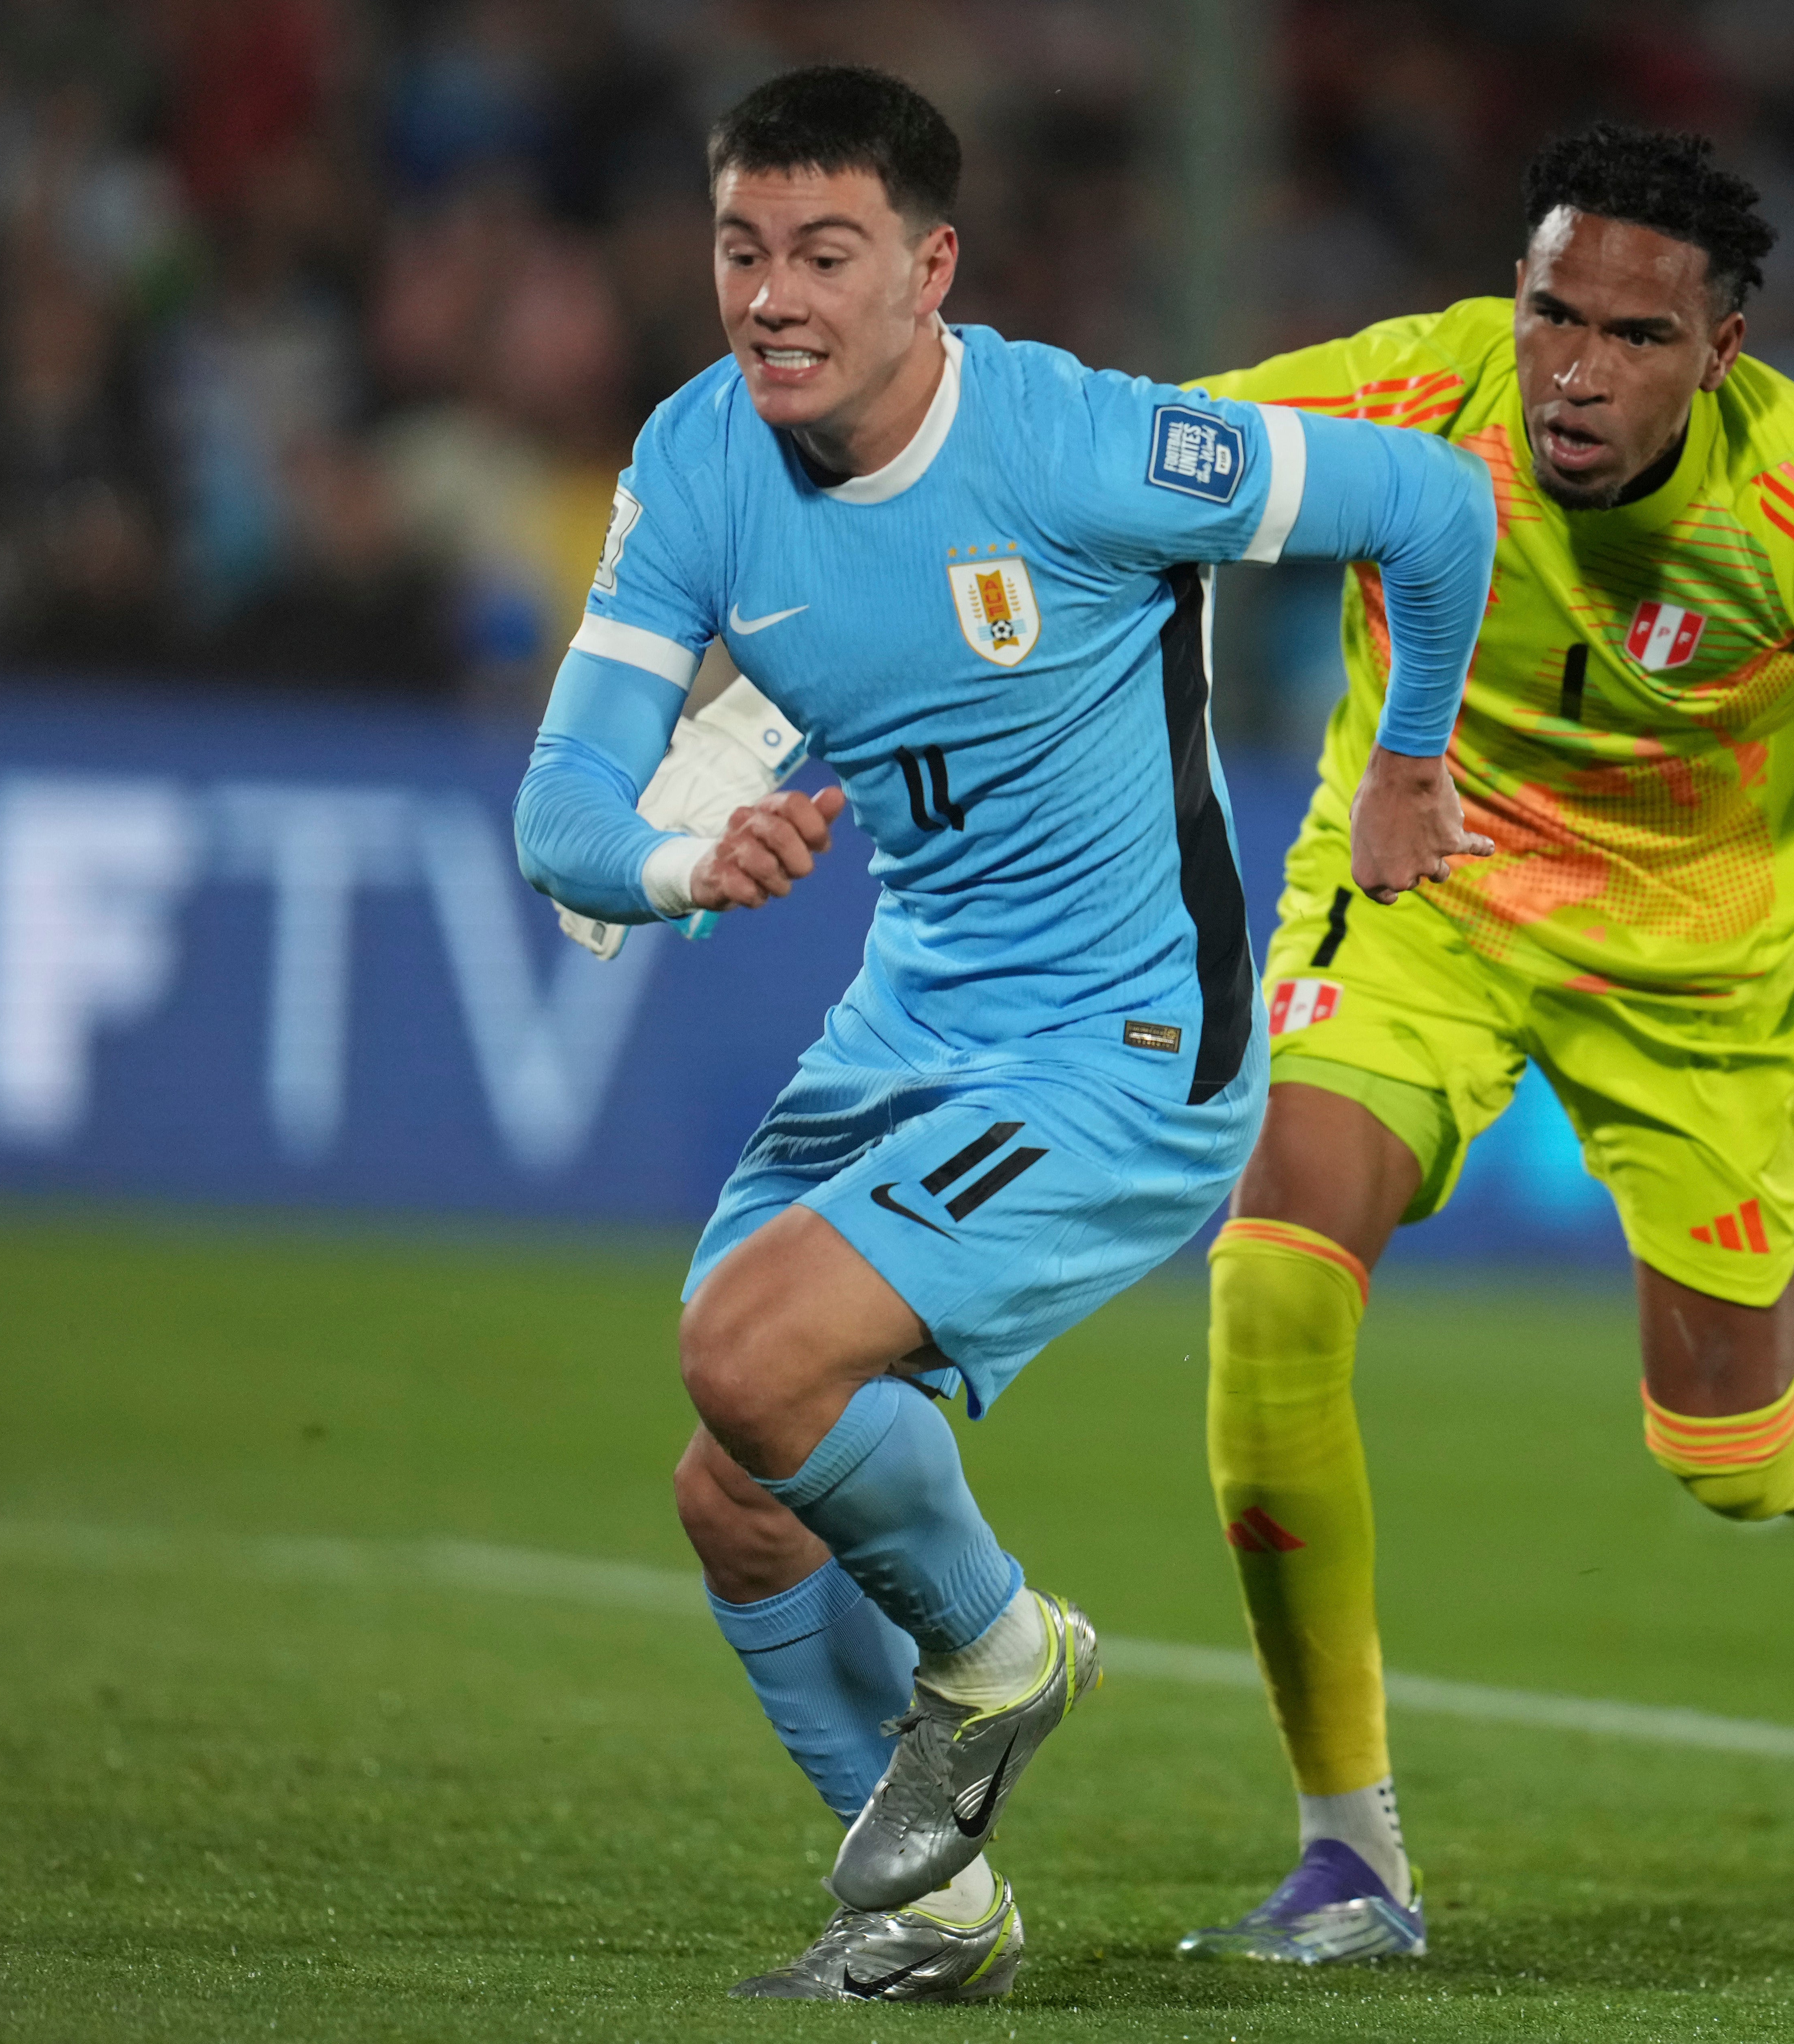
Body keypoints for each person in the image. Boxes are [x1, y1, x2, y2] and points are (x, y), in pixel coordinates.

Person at [511, 67, 1498, 2003]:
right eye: (740, 250)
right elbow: (562, 812)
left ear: (931, 269)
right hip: (917, 1018)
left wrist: (1409, 756)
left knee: (749, 1349)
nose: (772, 297)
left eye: (826, 253)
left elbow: (1435, 500)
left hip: (1132, 1045)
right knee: (737, 1487)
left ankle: (998, 1653)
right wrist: (688, 857)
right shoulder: (698, 458)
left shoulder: (1080, 444)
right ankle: (934, 1915)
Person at [1171, 124, 1794, 1965]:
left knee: (1727, 1451)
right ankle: (1349, 1853)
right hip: (1424, 893)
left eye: (1637, 337)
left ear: (1721, 352)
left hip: (1693, 975)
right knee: (1272, 1285)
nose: (1574, 368)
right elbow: (1130, 454)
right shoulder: (1418, 394)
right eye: (1554, 313)